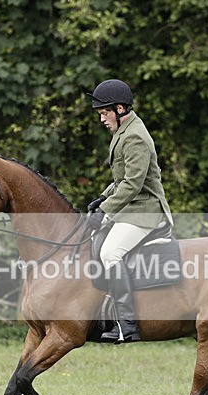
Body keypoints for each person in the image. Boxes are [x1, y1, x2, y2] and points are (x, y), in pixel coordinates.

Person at [85, 79, 174, 343]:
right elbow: (122, 179)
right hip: (132, 208)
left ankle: (127, 324)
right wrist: (102, 198)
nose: (102, 118)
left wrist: (107, 211)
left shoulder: (134, 136)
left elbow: (134, 184)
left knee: (110, 252)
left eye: (104, 112)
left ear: (120, 108)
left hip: (146, 210)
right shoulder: (124, 132)